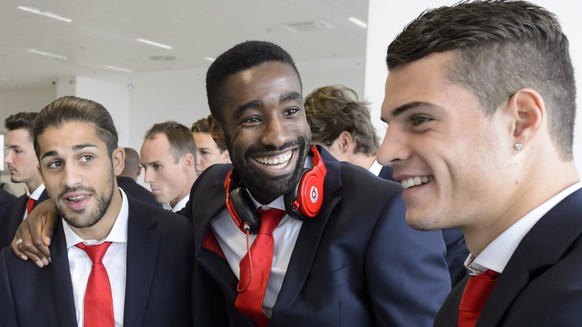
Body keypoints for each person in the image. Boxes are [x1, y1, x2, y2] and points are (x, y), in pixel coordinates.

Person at [12, 41, 452, 327]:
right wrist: (60, 206)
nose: (278, 135)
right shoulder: (211, 193)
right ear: (220, 136)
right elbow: (134, 217)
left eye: (291, 111)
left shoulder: (381, 210)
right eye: (253, 119)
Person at [377, 1, 582, 326]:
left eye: (419, 119)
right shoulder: (468, 290)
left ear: (521, 122)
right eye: (390, 125)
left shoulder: (571, 297)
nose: (385, 154)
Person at [0, 96, 194, 325]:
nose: (70, 180)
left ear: (117, 161)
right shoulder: (18, 265)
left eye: (86, 158)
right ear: (41, 173)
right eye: (55, 164)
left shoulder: (179, 239)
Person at [304, 84, 468, 286]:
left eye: (315, 153)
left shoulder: (411, 192)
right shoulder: (342, 198)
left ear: (344, 142)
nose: (310, 164)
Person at [0, 112, 49, 248]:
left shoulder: (60, 205)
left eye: (17, 151)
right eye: (8, 150)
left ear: (41, 152)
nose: (7, 159)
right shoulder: (17, 206)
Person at [140, 121, 197, 212]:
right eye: (145, 167)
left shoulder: (206, 220)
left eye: (157, 166)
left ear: (187, 163)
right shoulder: (163, 214)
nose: (147, 179)